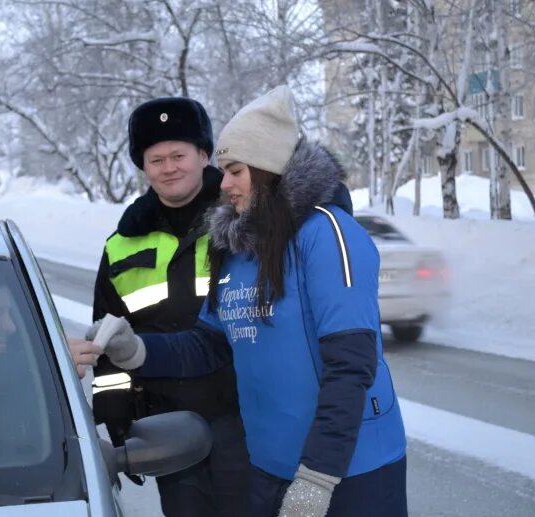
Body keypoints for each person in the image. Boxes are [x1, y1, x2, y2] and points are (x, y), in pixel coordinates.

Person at [75, 86, 408, 517]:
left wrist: (319, 476)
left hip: (351, 470)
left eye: (234, 170)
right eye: (224, 170)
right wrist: (135, 350)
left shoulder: (327, 233)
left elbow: (350, 366)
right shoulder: (237, 246)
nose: (224, 183)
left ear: (268, 168)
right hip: (268, 465)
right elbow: (208, 343)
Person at [71, 96, 251, 516]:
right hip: (168, 418)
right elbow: (108, 336)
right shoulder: (122, 244)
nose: (169, 168)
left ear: (204, 155)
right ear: (143, 166)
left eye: (178, 155)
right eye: (156, 159)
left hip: (243, 413)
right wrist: (117, 416)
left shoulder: (240, 219)